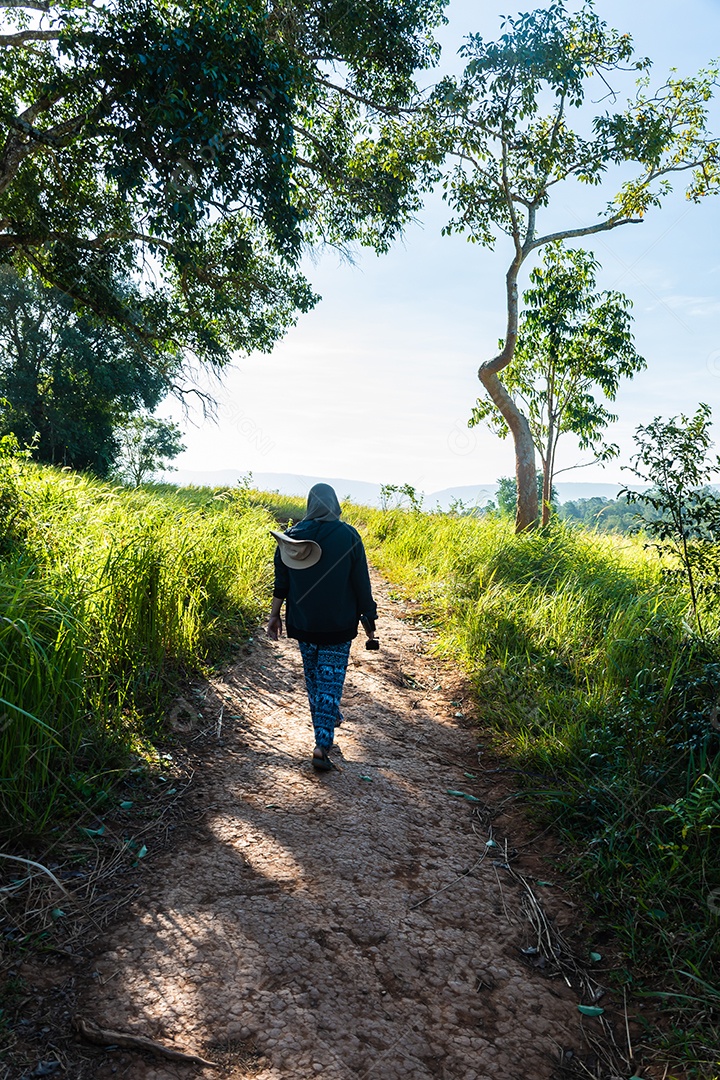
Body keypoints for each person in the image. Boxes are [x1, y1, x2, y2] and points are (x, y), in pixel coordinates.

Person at [266, 483, 377, 771]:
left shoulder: (290, 539)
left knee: (315, 679)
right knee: (330, 680)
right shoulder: (349, 535)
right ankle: (322, 744)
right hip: (338, 626)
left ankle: (329, 717)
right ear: (335, 504)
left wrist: (274, 616)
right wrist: (370, 621)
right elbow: (361, 584)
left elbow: (282, 584)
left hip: (303, 623)